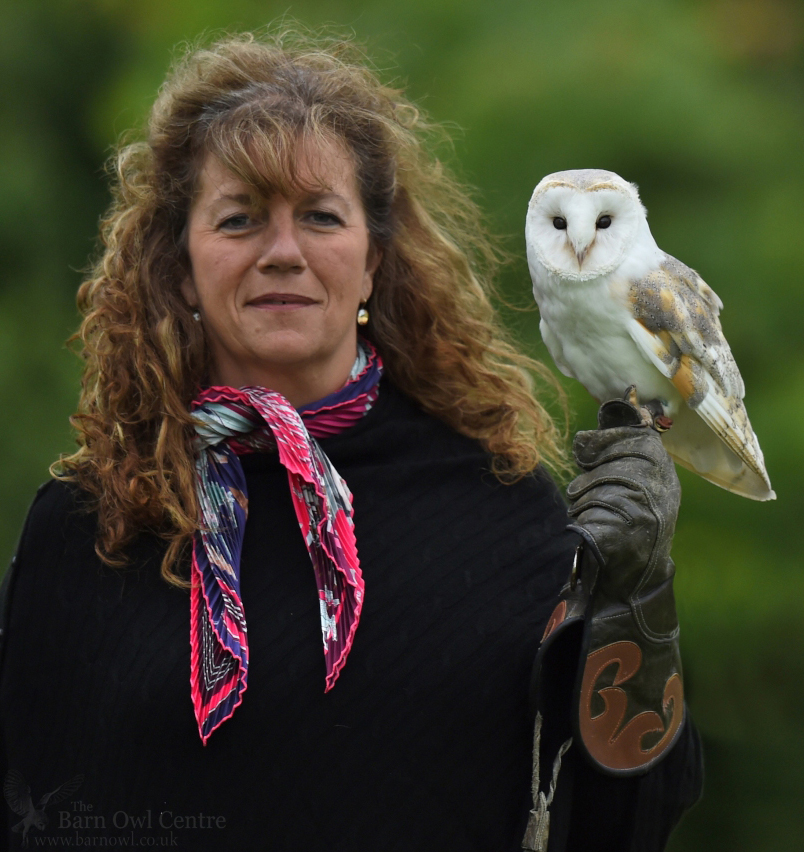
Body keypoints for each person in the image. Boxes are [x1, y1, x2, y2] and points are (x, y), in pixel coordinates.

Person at [0, 30, 702, 851]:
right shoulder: (91, 524)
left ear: (373, 261)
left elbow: (625, 821)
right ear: (181, 265)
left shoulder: (499, 513)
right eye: (239, 219)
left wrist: (635, 607)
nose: (283, 252)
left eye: (321, 217)